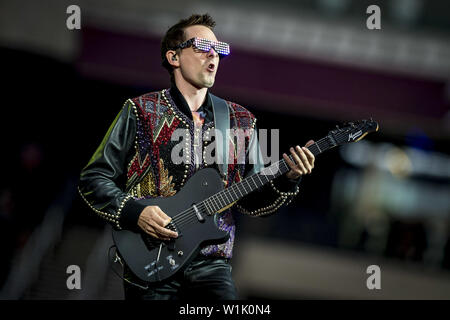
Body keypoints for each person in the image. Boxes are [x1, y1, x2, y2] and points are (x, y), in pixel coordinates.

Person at [78, 13, 315, 300]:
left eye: (219, 49)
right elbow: (94, 178)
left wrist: (289, 179)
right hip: (150, 258)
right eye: (202, 46)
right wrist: (135, 213)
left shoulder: (241, 121)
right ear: (174, 57)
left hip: (212, 264)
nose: (213, 54)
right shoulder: (140, 110)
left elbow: (254, 202)